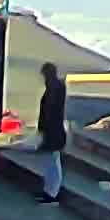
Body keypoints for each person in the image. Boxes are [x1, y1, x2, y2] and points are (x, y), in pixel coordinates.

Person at [34, 62, 68, 203]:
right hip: (54, 131)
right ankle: (49, 193)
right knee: (52, 163)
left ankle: (51, 194)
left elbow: (49, 112)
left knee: (53, 164)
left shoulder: (53, 89)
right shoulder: (56, 87)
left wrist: (43, 130)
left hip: (53, 132)